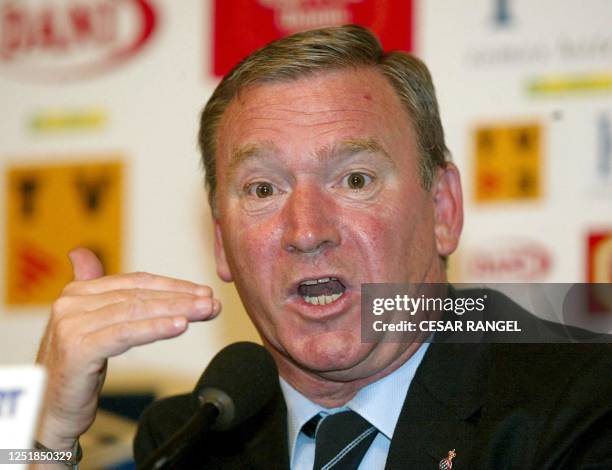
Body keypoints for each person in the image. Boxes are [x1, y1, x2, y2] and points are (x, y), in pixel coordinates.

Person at [35, 25, 611, 469]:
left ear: (443, 210)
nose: (307, 231)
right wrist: (45, 436)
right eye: (263, 189)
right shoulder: (192, 439)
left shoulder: (584, 403)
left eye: (354, 180)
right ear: (221, 243)